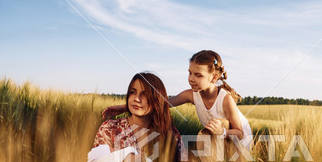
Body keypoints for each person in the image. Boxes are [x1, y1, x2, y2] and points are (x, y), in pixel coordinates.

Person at [103, 50, 252, 151]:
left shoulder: (225, 100)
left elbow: (239, 133)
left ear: (213, 77)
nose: (191, 79)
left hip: (238, 141)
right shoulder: (191, 95)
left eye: (198, 75)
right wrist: (125, 107)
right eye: (190, 73)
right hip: (218, 139)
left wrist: (222, 131)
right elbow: (162, 104)